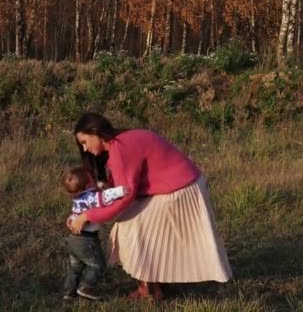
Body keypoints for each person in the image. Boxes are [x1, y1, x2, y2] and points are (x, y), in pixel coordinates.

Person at [69, 112, 233, 300]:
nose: (85, 148)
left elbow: (124, 197)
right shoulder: (120, 143)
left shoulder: (120, 148)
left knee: (130, 229)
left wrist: (88, 216)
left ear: (96, 132)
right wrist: (85, 210)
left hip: (182, 188)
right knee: (134, 224)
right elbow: (122, 189)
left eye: (84, 142)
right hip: (181, 184)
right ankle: (155, 283)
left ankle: (149, 289)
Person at [62, 166, 129, 301]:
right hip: (86, 241)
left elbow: (95, 191)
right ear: (88, 185)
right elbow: (104, 197)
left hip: (73, 240)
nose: (95, 181)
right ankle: (86, 287)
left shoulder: (78, 198)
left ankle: (69, 290)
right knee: (97, 264)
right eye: (92, 180)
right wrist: (121, 190)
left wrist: (99, 185)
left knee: (76, 266)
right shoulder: (91, 197)